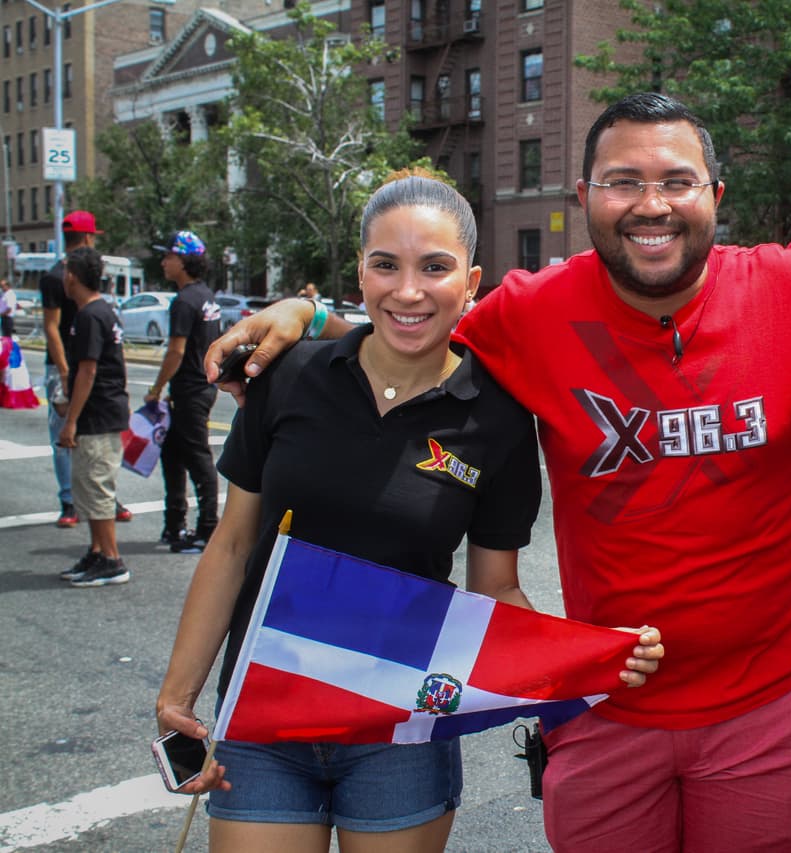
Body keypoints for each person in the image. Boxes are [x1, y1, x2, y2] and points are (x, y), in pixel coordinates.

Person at [205, 94, 791, 851]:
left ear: (716, 195)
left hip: (774, 703)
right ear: (584, 197)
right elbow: (411, 315)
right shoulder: (531, 310)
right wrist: (299, 313)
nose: (651, 202)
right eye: (623, 181)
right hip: (604, 704)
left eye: (676, 179)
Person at [155, 170, 664, 852]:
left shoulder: (498, 419)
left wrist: (586, 657)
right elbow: (232, 545)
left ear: (472, 281)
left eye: (435, 267)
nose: (408, 290)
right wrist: (178, 697)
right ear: (359, 273)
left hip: (402, 723)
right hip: (268, 715)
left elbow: (496, 587)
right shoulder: (291, 375)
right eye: (385, 265)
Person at [40, 211, 132, 528]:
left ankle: (90, 501)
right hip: (69, 366)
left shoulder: (69, 285)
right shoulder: (66, 279)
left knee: (84, 440)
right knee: (70, 435)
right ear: (89, 238)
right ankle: (73, 500)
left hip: (78, 364)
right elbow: (53, 329)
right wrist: (65, 372)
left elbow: (51, 327)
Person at [57, 247, 132, 587]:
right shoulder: (103, 311)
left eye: (65, 272)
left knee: (97, 489)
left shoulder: (89, 316)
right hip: (104, 411)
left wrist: (70, 419)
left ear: (72, 276)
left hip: (98, 415)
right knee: (87, 486)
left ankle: (113, 559)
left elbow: (88, 371)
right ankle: (98, 551)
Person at [145, 231, 222, 554]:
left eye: (169, 256)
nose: (164, 262)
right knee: (172, 454)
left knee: (197, 455)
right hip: (200, 387)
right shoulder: (205, 296)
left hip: (190, 389)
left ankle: (207, 528)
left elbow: (176, 352)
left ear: (185, 261)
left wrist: (156, 388)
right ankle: (174, 524)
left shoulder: (185, 301)